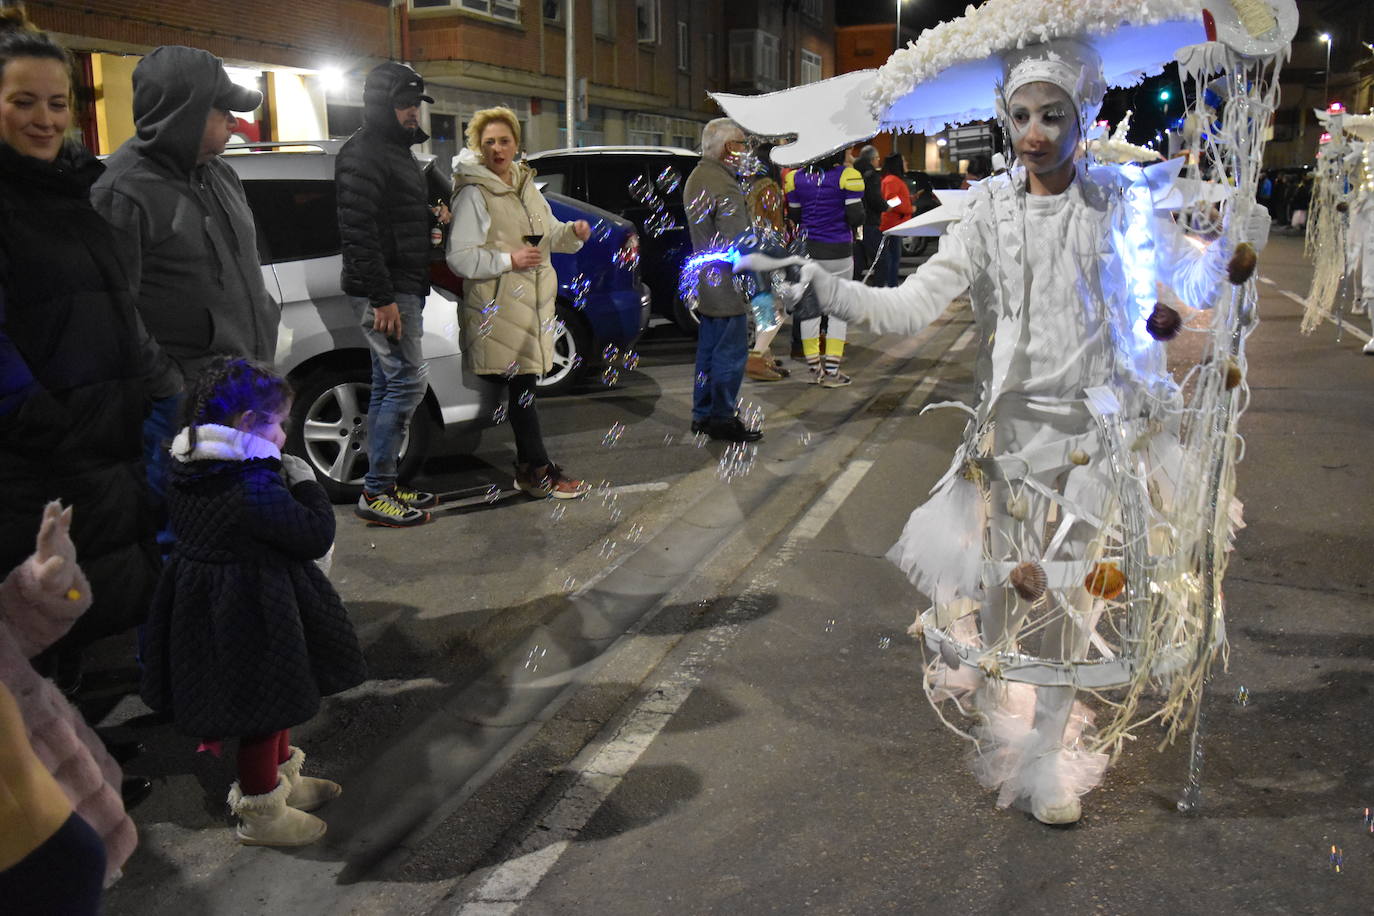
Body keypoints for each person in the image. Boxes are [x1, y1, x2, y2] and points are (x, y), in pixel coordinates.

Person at [776, 20, 1276, 824]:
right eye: (1022, 117)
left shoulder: (1117, 205)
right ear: (1005, 121)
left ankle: (1047, 757)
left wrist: (1227, 245)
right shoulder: (986, 216)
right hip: (1008, 443)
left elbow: (1178, 289)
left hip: (1094, 439)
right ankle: (1007, 718)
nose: (1036, 133)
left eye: (1054, 116)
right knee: (1009, 601)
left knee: (1076, 600)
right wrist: (827, 290)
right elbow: (912, 305)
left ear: (1082, 119)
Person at [140, 357, 367, 847]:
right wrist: (306, 482)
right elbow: (312, 534)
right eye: (278, 423)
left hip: (213, 601)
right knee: (261, 714)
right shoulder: (250, 484)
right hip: (251, 611)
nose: (283, 432)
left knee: (276, 700)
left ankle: (284, 781)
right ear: (247, 424)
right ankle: (262, 810)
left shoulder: (189, 466)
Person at [0, 9, 162, 689]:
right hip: (36, 459)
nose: (44, 119)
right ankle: (46, 787)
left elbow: (112, 308)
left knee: (73, 616)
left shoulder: (69, 192)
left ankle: (77, 763)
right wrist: (38, 417)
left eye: (57, 103)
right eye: (22, 102)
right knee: (30, 627)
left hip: (99, 448)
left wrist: (149, 390)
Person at [91, 45, 277, 546]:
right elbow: (113, 310)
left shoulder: (221, 174)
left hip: (242, 394)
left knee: (243, 531)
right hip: (180, 412)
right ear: (184, 115)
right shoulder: (123, 192)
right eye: (223, 111)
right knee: (184, 541)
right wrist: (169, 385)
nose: (236, 123)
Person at [447, 107, 592, 497]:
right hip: (498, 308)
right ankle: (537, 470)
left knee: (523, 391)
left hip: (530, 306)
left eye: (504, 140)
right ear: (477, 146)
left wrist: (573, 234)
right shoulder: (473, 193)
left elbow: (546, 236)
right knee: (523, 391)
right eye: (489, 141)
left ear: (516, 144)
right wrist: (507, 260)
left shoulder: (524, 184)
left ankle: (532, 468)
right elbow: (459, 257)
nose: (497, 148)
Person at [0, 502, 134, 893]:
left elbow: (11, 632)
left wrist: (47, 580)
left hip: (54, 782)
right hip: (23, 820)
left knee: (84, 870)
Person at [337, 62, 447, 526]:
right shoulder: (363, 152)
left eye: (416, 105)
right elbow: (357, 230)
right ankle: (377, 490)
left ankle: (385, 483)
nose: (412, 114)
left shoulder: (395, 151)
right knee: (406, 383)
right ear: (382, 104)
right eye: (404, 104)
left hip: (404, 284)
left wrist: (428, 218)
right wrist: (382, 298)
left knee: (389, 383)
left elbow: (388, 217)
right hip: (386, 290)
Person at [683, 118, 768, 442]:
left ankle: (702, 414)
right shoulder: (723, 182)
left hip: (708, 278)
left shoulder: (699, 175)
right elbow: (738, 239)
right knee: (729, 355)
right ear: (726, 148)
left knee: (708, 351)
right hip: (729, 282)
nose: (745, 151)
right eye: (741, 144)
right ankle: (722, 418)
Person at [785, 152, 864, 385]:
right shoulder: (848, 176)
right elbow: (856, 216)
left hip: (808, 252)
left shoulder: (795, 178)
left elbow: (795, 215)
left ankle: (814, 371)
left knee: (810, 310)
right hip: (838, 251)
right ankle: (832, 372)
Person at [852, 144, 888, 281]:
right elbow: (874, 198)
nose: (878, 161)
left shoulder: (854, 172)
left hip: (857, 222)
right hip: (870, 221)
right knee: (881, 258)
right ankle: (878, 292)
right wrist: (885, 206)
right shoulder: (872, 175)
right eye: (878, 158)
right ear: (873, 159)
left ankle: (855, 290)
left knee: (859, 260)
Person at [878, 152, 914, 288]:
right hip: (892, 225)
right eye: (904, 161)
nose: (906, 164)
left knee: (893, 258)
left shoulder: (891, 179)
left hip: (894, 223)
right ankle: (891, 285)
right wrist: (909, 208)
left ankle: (891, 284)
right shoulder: (892, 180)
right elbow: (891, 200)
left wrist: (908, 200)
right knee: (893, 258)